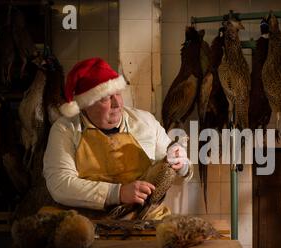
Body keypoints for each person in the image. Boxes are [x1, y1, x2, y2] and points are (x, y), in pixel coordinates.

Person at [43, 57, 193, 218]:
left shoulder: (145, 121)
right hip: (88, 221)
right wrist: (117, 193)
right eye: (105, 98)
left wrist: (182, 163)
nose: (117, 104)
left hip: (144, 218)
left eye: (118, 94)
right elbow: (59, 185)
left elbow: (181, 174)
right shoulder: (65, 129)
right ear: (86, 104)